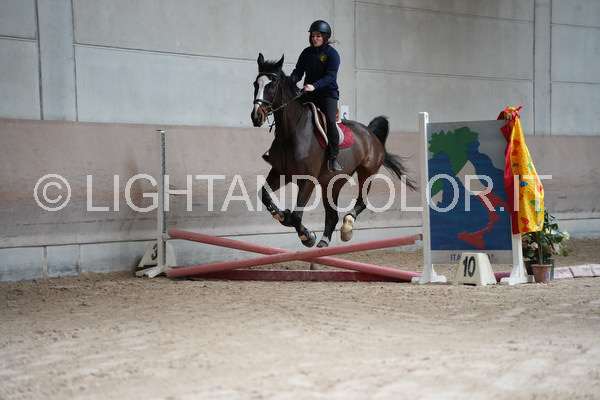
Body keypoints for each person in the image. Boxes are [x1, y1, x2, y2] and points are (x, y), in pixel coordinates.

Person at [290, 20, 342, 171]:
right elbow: (298, 71)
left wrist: (315, 86)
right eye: (313, 36)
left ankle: (334, 157)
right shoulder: (306, 52)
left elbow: (330, 77)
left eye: (318, 36)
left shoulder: (332, 54)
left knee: (330, 121)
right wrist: (291, 80)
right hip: (308, 92)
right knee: (289, 111)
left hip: (327, 94)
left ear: (325, 37)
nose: (314, 39)